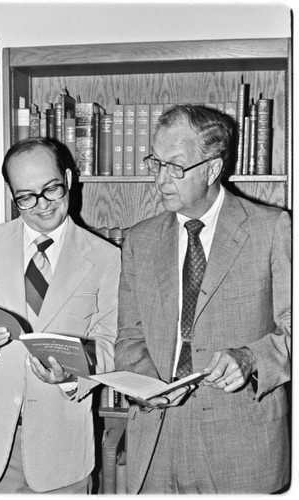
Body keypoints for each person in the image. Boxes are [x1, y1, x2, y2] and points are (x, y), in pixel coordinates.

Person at [115, 104, 291, 494]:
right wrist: (151, 387)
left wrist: (249, 358)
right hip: (158, 435)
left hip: (241, 441)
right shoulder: (139, 240)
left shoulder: (270, 228)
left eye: (175, 167)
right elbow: (128, 337)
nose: (161, 179)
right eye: (155, 163)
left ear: (212, 168)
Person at [0, 137, 121, 493]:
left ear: (68, 178)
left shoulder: (107, 258)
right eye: (26, 197)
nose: (42, 205)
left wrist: (72, 374)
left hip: (61, 448)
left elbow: (111, 345)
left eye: (51, 190)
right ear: (12, 195)